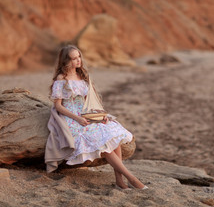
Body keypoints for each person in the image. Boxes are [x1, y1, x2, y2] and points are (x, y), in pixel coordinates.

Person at [45, 45, 147, 190]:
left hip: (87, 114)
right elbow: (58, 106)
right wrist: (77, 119)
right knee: (103, 145)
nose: (78, 61)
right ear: (66, 61)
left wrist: (101, 116)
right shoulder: (61, 79)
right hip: (71, 118)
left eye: (79, 57)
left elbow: (91, 102)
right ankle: (132, 178)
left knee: (113, 135)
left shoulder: (83, 76)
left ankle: (119, 180)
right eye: (74, 58)